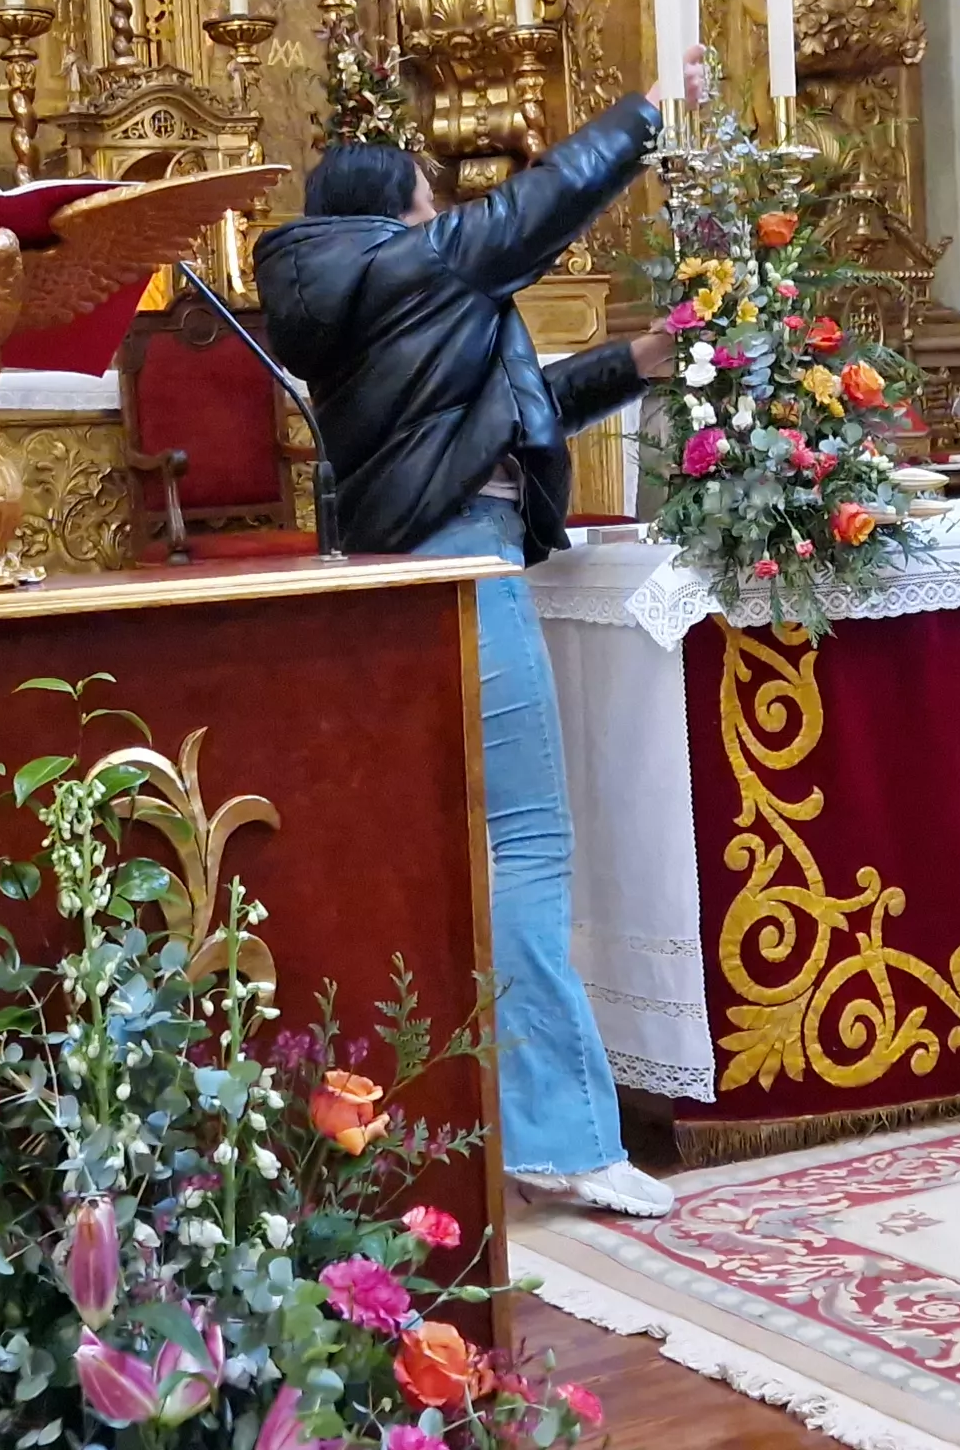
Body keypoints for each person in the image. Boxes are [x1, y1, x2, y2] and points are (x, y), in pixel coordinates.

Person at [254, 87, 682, 1219]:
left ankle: (414, 1120)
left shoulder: (358, 290)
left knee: (437, 848)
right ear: (397, 211)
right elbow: (539, 208)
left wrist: (633, 361)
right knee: (526, 847)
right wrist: (648, 114)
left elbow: (483, 413)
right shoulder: (412, 265)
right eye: (432, 196)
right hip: (465, 570)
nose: (445, 207)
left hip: (396, 578)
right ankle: (562, 1136)